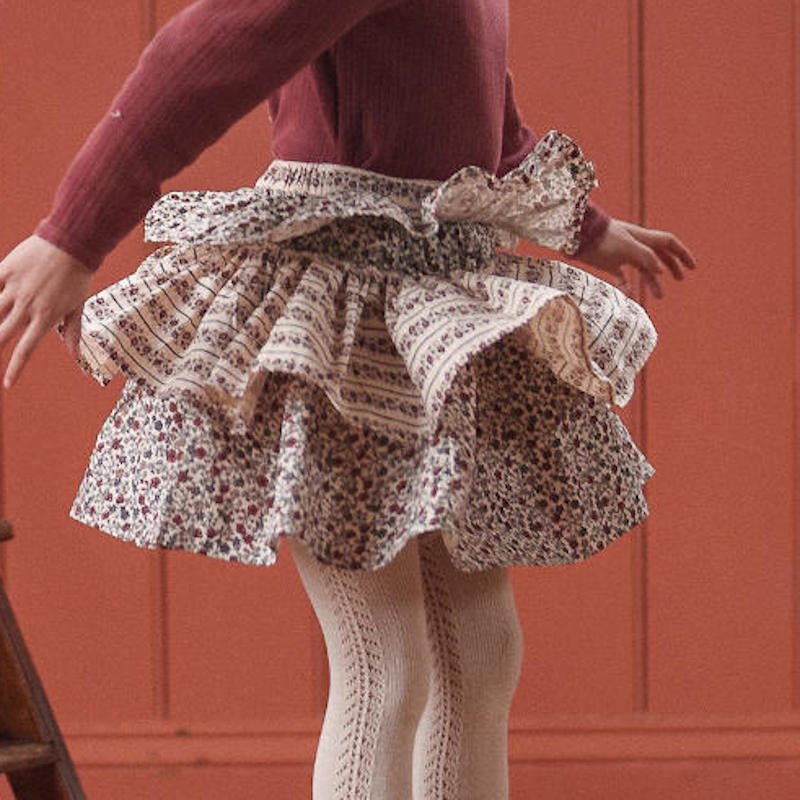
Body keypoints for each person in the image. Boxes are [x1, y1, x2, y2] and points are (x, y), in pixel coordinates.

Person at [0, 1, 696, 798]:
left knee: (482, 649)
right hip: (339, 310)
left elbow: (479, 117)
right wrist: (71, 235)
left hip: (434, 300)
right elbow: (199, 57)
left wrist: (587, 227)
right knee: (384, 657)